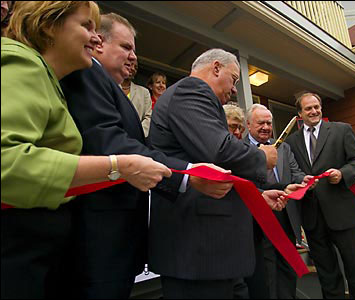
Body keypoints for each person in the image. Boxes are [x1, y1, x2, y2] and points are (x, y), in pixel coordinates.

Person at [1, 2, 171, 298]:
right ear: (48, 25)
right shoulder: (22, 63)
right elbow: (7, 162)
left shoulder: (52, 79)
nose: (95, 38)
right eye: (86, 26)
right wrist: (120, 166)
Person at [59, 14, 233, 299]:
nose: (134, 57)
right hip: (99, 236)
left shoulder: (109, 86)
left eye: (135, 50)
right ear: (98, 43)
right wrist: (186, 173)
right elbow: (111, 143)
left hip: (116, 235)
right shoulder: (88, 73)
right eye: (126, 47)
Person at [147, 48, 286, 299]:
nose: (234, 90)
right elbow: (219, 151)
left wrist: (257, 196)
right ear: (216, 68)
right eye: (233, 79)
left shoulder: (193, 97)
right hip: (199, 251)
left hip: (210, 252)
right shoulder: (192, 90)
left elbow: (214, 171)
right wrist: (262, 157)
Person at [286, 92, 355, 298]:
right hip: (312, 217)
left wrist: (342, 174)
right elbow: (293, 172)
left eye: (316, 106)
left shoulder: (341, 130)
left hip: (341, 212)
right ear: (300, 113)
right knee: (327, 274)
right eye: (308, 108)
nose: (314, 111)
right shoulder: (292, 142)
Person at [244, 104, 315, 299]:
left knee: (287, 268)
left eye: (269, 123)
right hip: (257, 220)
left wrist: (303, 180)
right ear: (248, 125)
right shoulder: (241, 149)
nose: (266, 127)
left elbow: (295, 172)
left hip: (285, 215)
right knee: (265, 272)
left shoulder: (283, 147)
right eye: (261, 123)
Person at [121, 60, 152, 136]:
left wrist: (138, 134)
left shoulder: (144, 92)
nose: (133, 68)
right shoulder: (111, 86)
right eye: (130, 65)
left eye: (136, 67)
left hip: (134, 140)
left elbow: (148, 117)